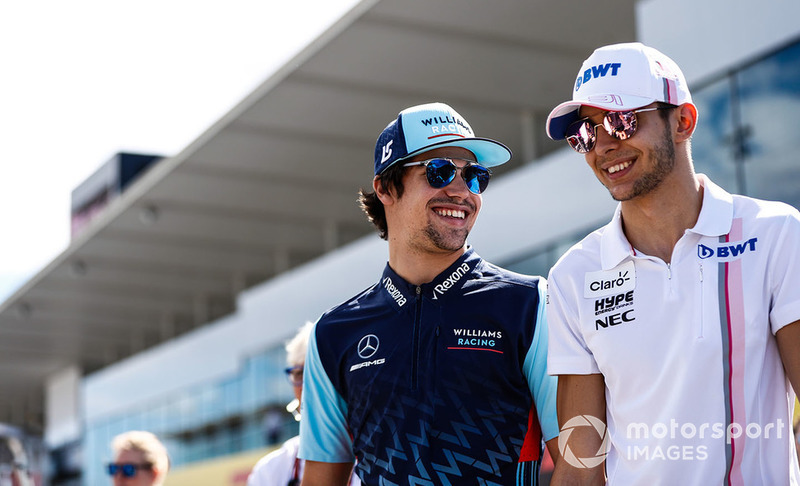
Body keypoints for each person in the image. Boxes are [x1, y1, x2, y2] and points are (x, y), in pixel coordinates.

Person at [543, 42, 800, 484]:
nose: (602, 145)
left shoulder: (774, 234)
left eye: (620, 121)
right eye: (586, 131)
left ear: (683, 121)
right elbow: (581, 465)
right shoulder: (573, 276)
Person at [298, 102, 559, 485]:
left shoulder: (531, 303)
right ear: (386, 187)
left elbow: (580, 466)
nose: (460, 190)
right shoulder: (333, 333)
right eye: (438, 171)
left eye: (474, 176)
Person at [248, 322, 360, 486]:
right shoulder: (270, 471)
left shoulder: (384, 458)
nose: (311, 385)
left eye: (322, 371)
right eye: (300, 373)